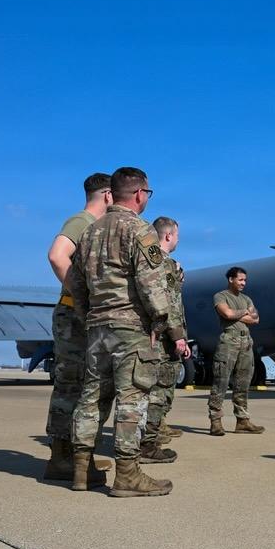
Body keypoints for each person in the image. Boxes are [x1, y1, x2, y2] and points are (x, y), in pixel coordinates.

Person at [66, 167, 190, 497]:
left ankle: (81, 469)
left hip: (98, 329)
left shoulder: (90, 232)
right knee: (131, 401)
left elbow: (75, 283)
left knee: (91, 399)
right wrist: (162, 325)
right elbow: (152, 288)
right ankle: (127, 474)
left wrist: (88, 315)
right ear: (139, 194)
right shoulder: (139, 230)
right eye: (147, 193)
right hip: (131, 330)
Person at [42, 172, 113, 483]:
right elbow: (57, 256)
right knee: (72, 385)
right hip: (73, 317)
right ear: (108, 196)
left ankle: (73, 456)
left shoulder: (93, 227)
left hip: (77, 316)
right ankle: (61, 459)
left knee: (83, 385)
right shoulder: (82, 221)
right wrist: (83, 297)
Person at [137, 216, 187, 459]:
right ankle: (148, 445)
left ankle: (148, 439)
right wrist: (178, 336)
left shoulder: (162, 264)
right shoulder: (163, 264)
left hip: (161, 335)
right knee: (158, 393)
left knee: (157, 391)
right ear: (168, 235)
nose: (178, 239)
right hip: (164, 338)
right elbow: (169, 304)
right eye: (177, 234)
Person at [208, 267, 265, 436]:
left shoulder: (246, 298)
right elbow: (226, 313)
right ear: (231, 279)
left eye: (245, 280)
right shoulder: (221, 296)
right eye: (240, 280)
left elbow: (256, 319)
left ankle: (242, 421)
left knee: (243, 382)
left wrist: (238, 314)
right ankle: (216, 421)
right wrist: (244, 312)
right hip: (229, 341)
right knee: (221, 381)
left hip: (246, 341)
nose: (243, 283)